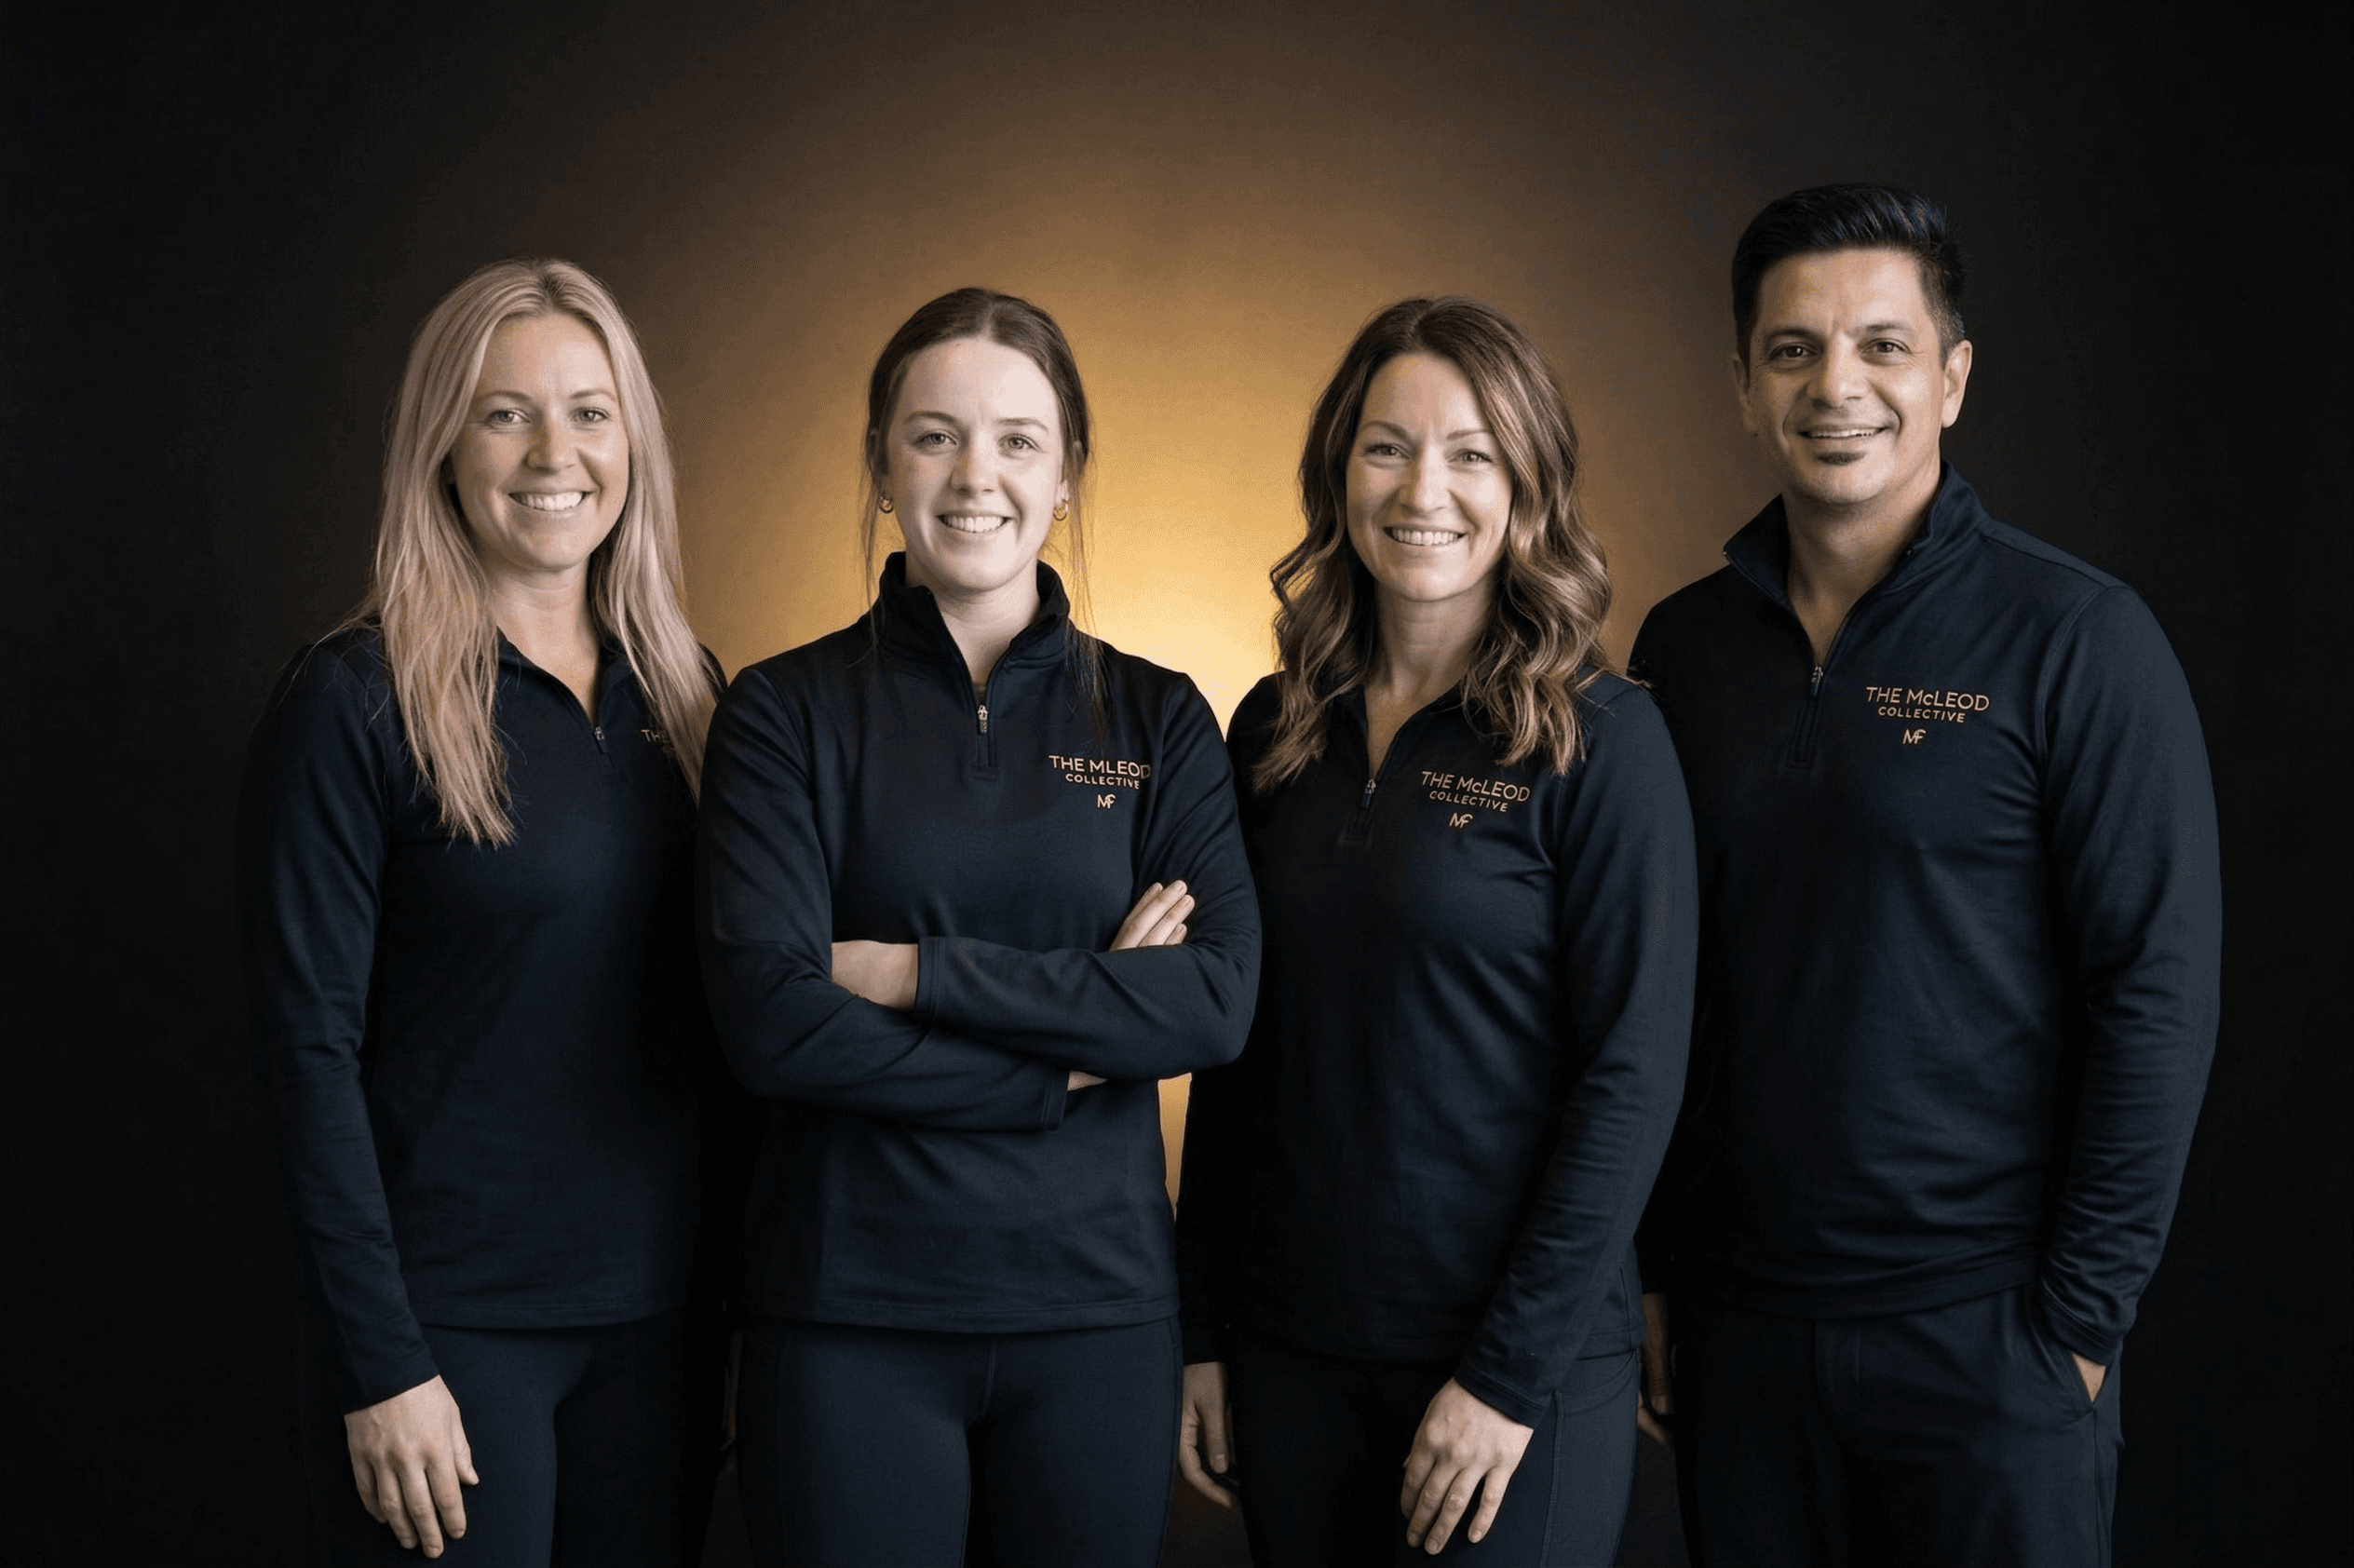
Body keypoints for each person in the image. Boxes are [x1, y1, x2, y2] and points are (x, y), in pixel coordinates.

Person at [1630, 183, 2222, 1565]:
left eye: (1883, 346)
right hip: (1740, 1336)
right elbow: (1652, 983)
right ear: (1744, 386)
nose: (1837, 386)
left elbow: (2157, 994)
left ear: (1951, 378)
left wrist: (2077, 1328)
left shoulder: (2079, 638)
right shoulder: (1683, 651)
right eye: (1793, 350)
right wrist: (1654, 1267)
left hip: (1989, 1341)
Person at [696, 286, 1260, 1567]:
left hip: (1099, 1320)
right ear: (881, 464)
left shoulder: (1160, 718)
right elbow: (776, 1028)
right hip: (846, 1315)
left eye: (1017, 439)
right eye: (934, 435)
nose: (974, 476)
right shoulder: (781, 715)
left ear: (1065, 473)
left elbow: (1213, 1002)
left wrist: (908, 971)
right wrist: (1076, 1046)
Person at [1174, 296, 1698, 1564]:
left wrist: (1505, 1377)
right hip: (1290, 1356)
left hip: (1511, 1372)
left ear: (1528, 487)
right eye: (1386, 447)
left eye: (1472, 454)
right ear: (1338, 472)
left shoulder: (1601, 738)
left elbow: (1631, 1080)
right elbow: (1235, 1051)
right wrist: (1200, 1329)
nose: (1424, 490)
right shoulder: (1273, 729)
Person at [237, 260, 738, 1563]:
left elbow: (750, 995)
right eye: (504, 413)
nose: (554, 454)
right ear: (443, 448)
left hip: (663, 1327)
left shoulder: (688, 695)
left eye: (589, 412)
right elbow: (304, 1053)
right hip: (447, 1337)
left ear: (633, 442)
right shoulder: (354, 701)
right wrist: (382, 1363)